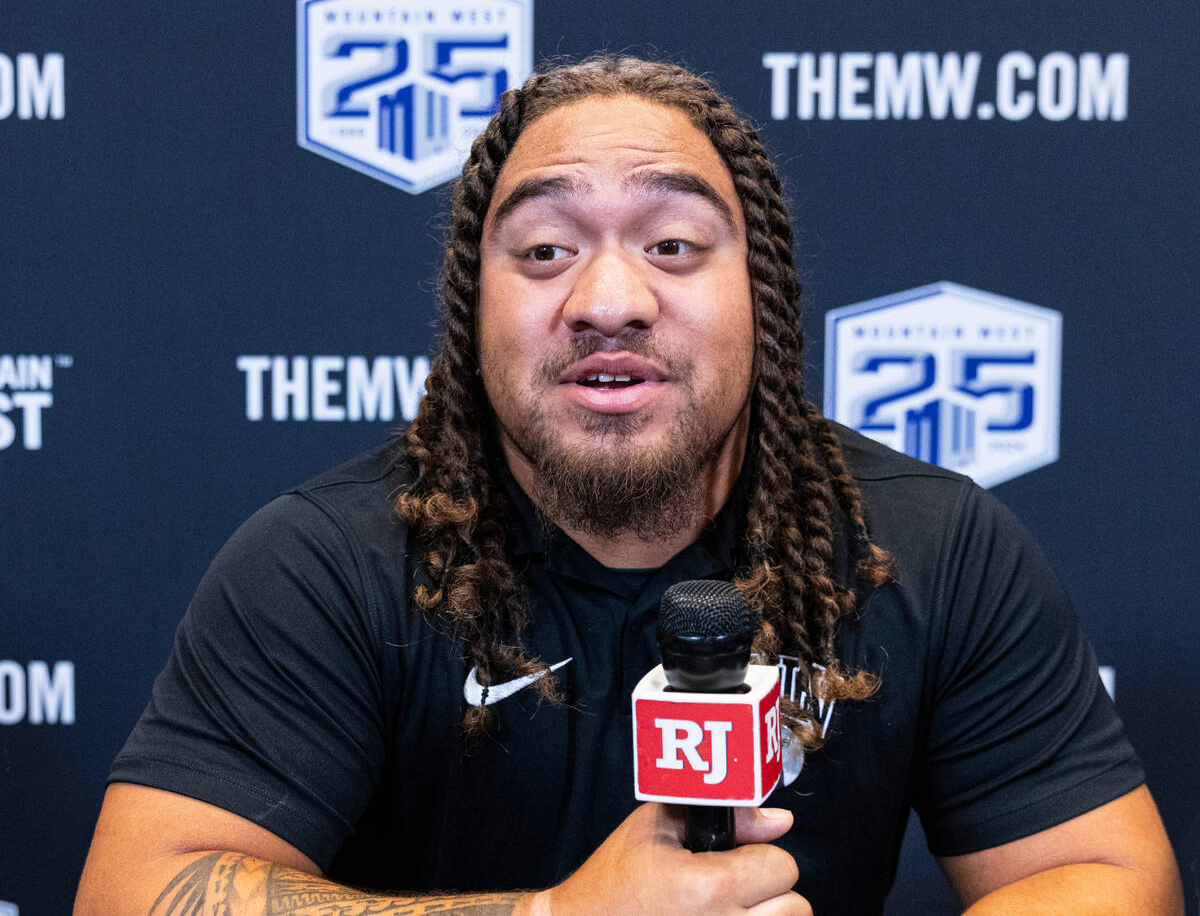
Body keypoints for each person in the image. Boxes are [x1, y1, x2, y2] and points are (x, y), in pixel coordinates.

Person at [74, 56, 1182, 916]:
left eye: (673, 243)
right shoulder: (324, 561)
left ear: (766, 301)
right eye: (547, 251)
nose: (610, 297)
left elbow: (1105, 875)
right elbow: (136, 892)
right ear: (474, 313)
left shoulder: (933, 545)